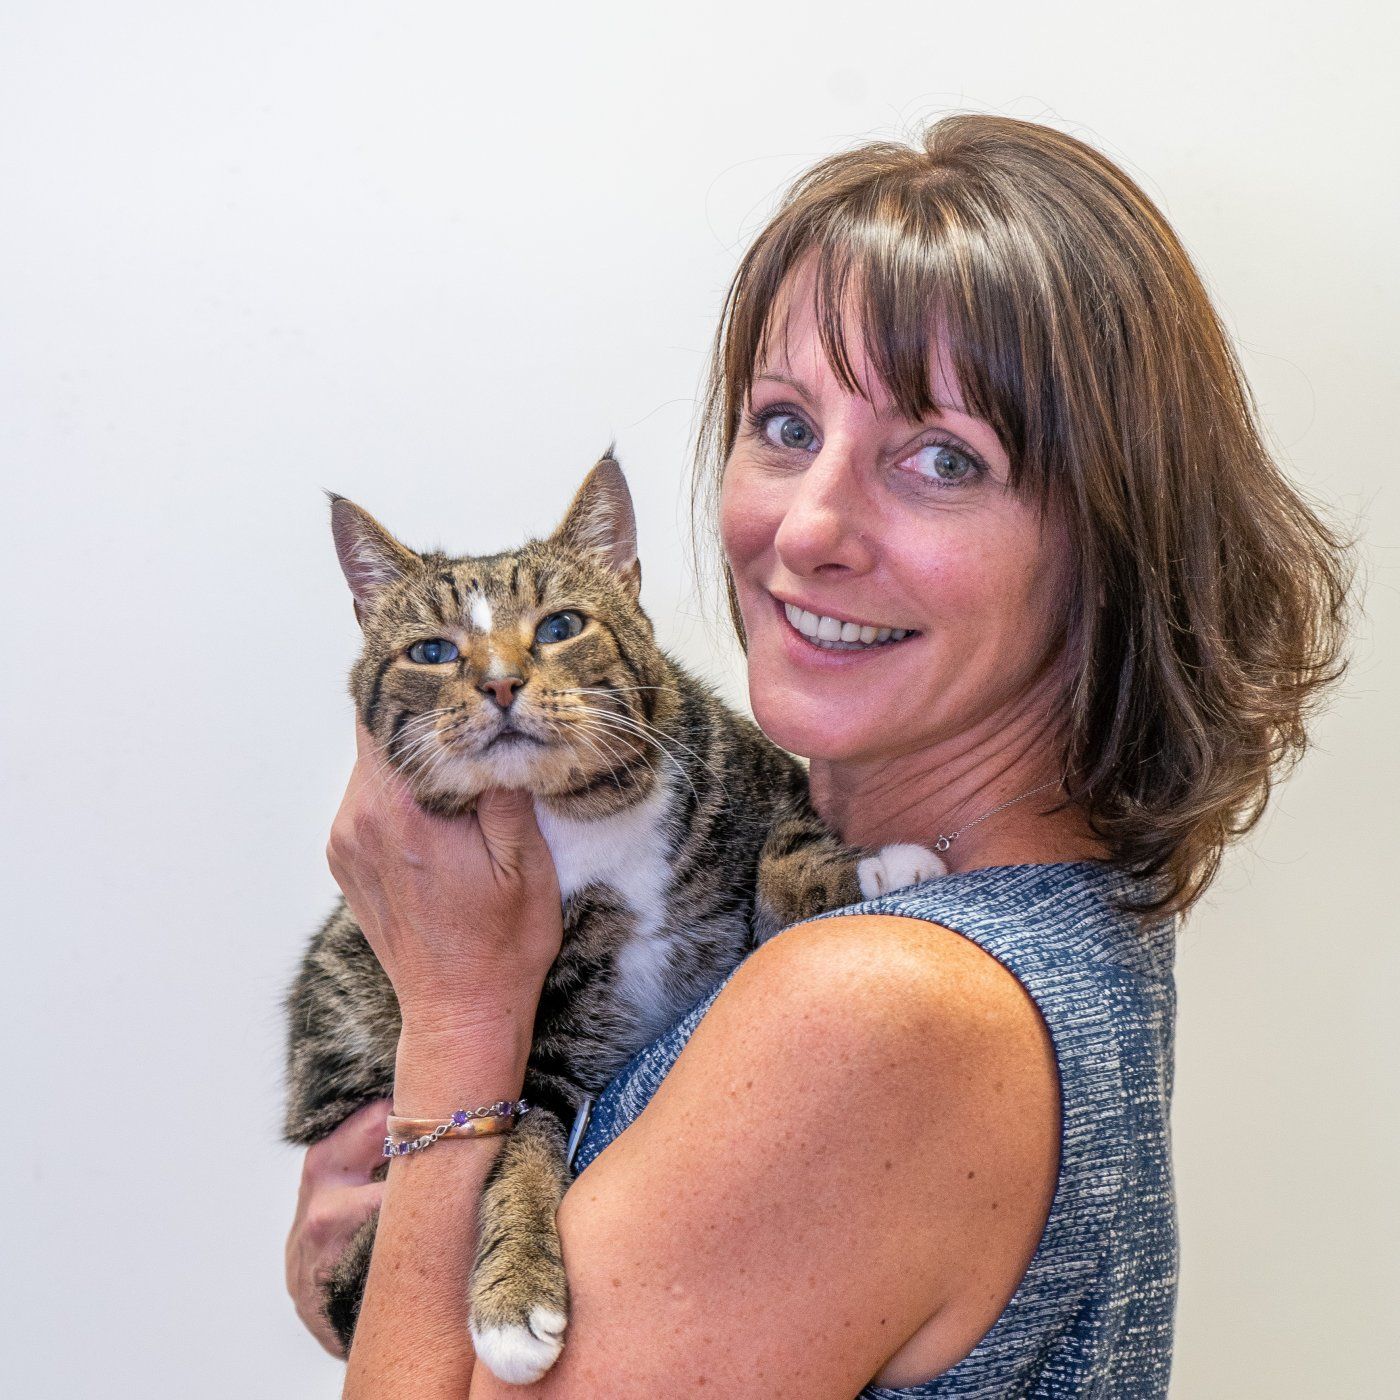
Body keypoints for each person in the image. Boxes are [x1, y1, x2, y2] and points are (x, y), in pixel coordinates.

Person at [285, 114, 1350, 1396]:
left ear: (1109, 549)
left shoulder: (875, 1007)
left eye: (942, 457)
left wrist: (452, 1041)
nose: (808, 529)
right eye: (783, 426)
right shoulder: (1026, 907)